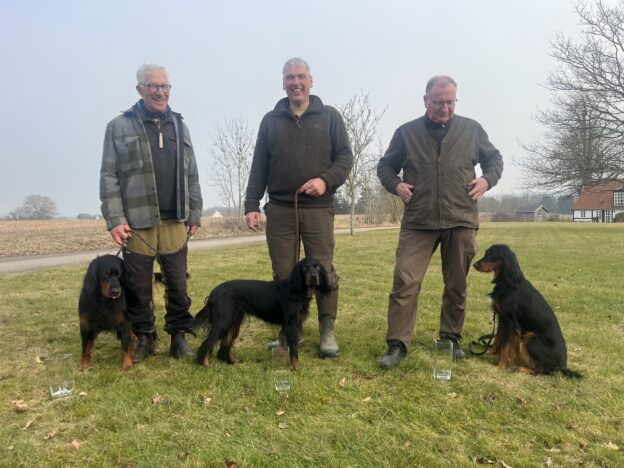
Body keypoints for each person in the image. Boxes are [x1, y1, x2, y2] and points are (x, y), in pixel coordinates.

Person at [377, 75, 503, 368]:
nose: (445, 108)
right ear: (425, 100)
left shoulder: (472, 130)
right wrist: (395, 185)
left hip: (460, 218)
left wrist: (486, 179)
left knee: (456, 284)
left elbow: (495, 161)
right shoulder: (406, 133)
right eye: (438, 102)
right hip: (418, 220)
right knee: (405, 280)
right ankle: (397, 344)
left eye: (450, 102)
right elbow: (385, 166)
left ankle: (451, 338)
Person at [244, 57, 353, 358]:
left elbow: (345, 158)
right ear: (283, 83)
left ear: (311, 81)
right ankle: (289, 332)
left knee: (323, 270)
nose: (296, 83)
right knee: (284, 274)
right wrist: (251, 204)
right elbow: (259, 166)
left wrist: (325, 181)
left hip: (319, 208)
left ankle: (327, 329)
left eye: (301, 77)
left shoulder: (330, 117)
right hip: (280, 209)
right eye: (290, 77)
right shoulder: (270, 121)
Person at [100, 64, 203, 363]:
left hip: (175, 219)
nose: (159, 91)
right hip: (137, 221)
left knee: (178, 284)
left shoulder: (180, 126)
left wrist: (195, 212)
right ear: (140, 89)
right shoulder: (118, 126)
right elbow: (109, 175)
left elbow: (192, 173)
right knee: (138, 287)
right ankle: (144, 336)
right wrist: (115, 218)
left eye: (164, 86)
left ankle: (179, 336)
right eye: (152, 86)